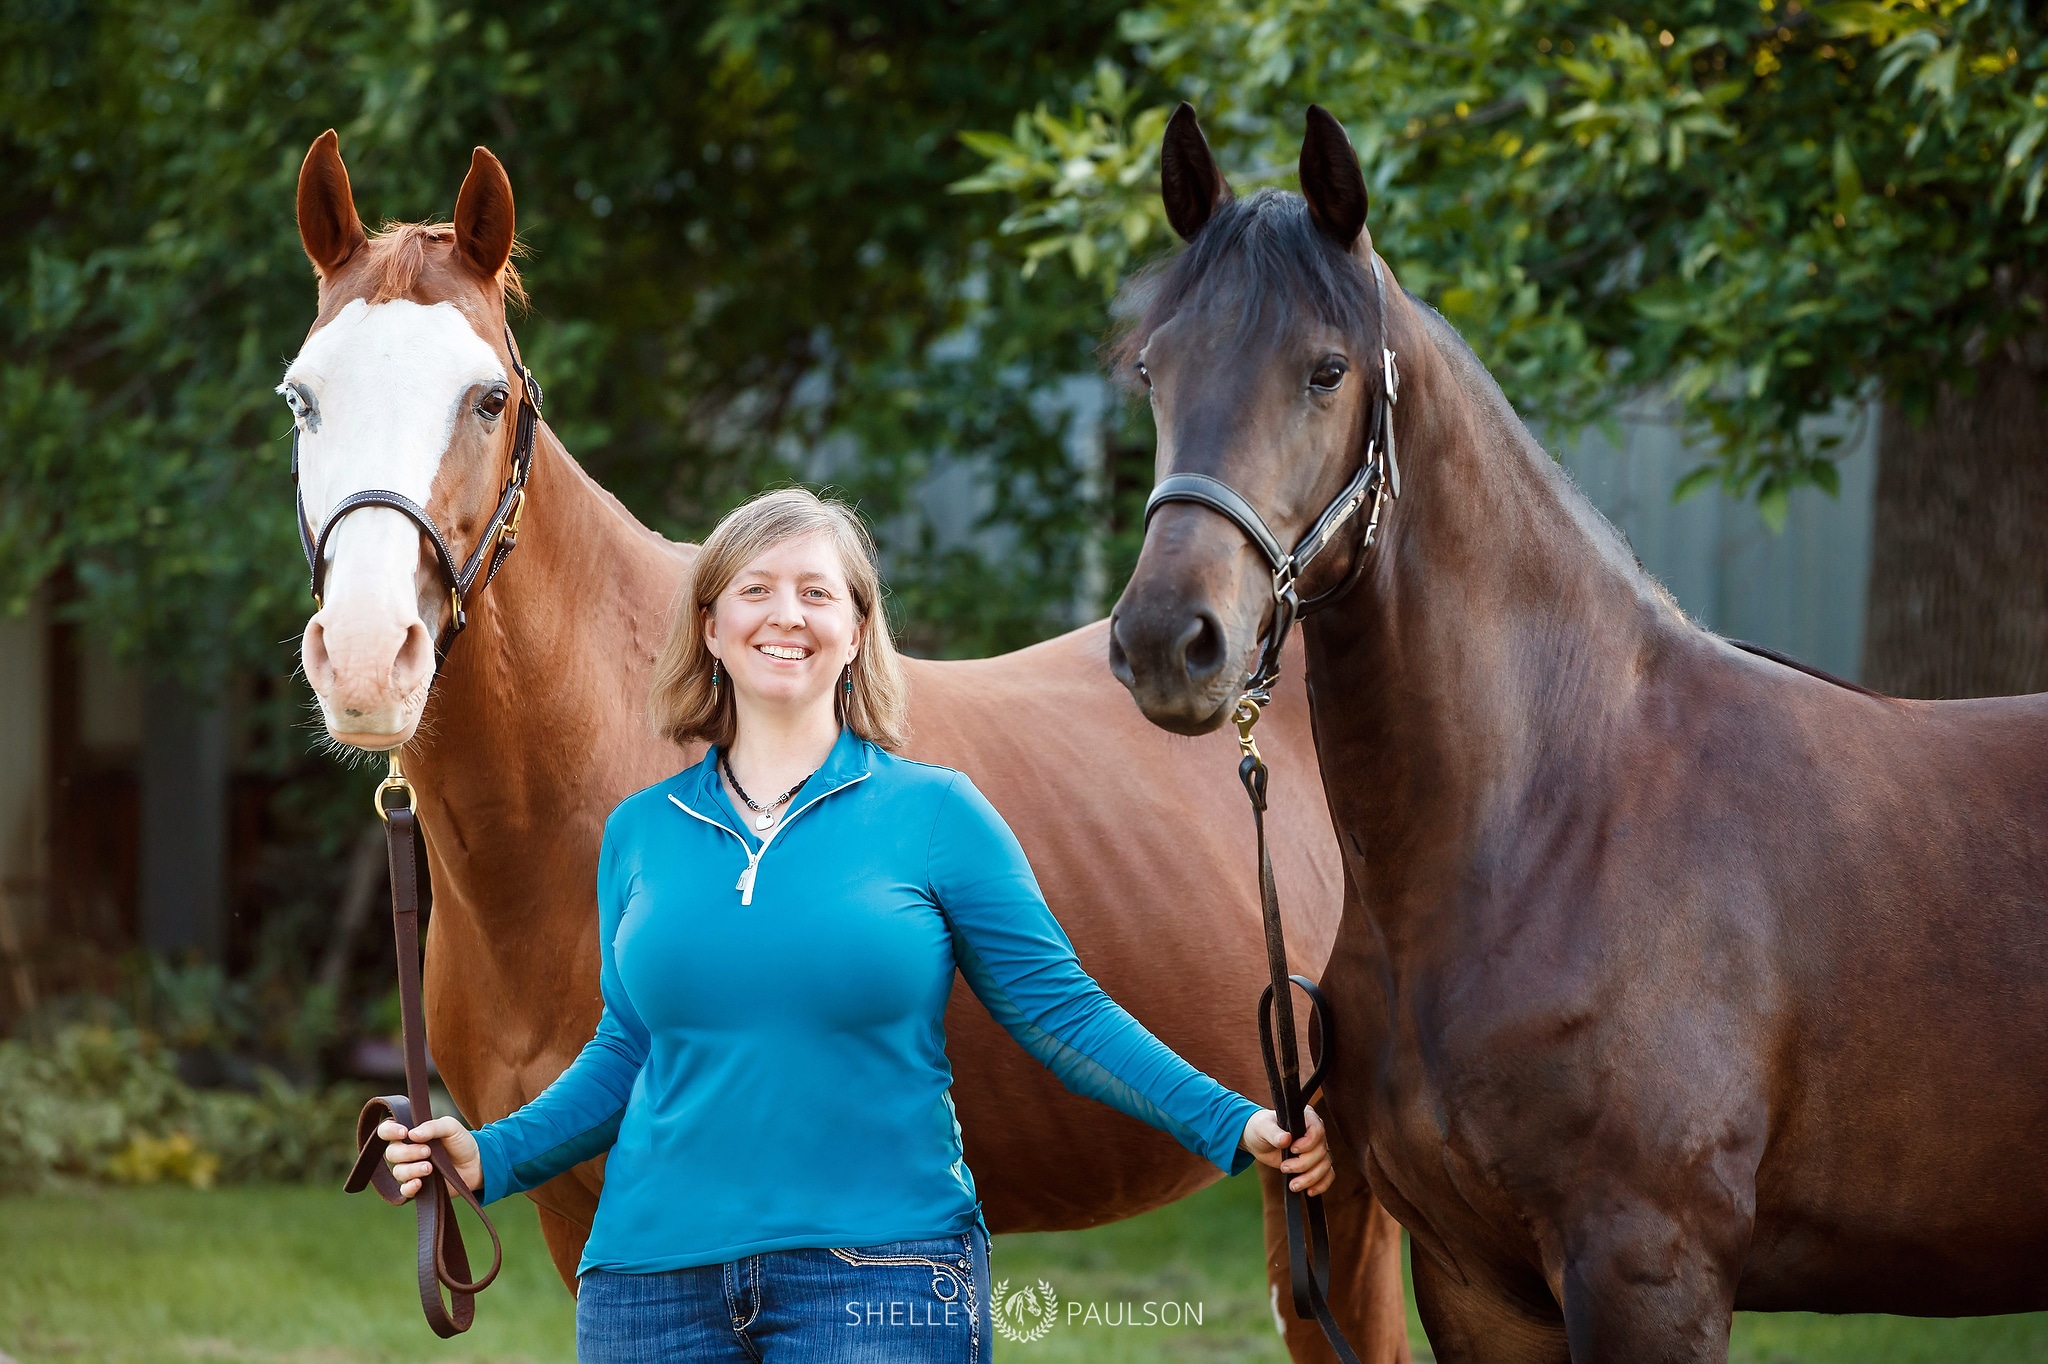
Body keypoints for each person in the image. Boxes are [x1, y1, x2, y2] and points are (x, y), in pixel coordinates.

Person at [375, 487, 1333, 1362]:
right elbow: (629, 1050)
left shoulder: (936, 814)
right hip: (649, 1290)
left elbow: (1061, 1012)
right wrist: (490, 1153)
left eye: (817, 594)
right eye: (754, 590)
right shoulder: (643, 833)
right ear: (709, 627)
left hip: (879, 1281)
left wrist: (1233, 1120)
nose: (785, 614)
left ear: (856, 631)